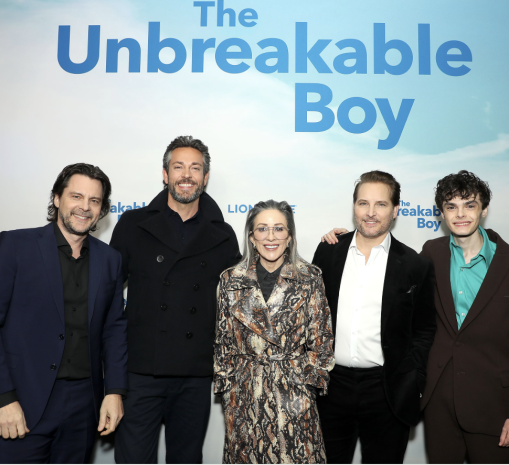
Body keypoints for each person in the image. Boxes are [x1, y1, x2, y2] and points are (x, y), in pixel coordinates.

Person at [0, 163, 127, 464]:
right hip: (22, 400)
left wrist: (115, 390)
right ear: (57, 199)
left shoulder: (110, 259)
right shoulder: (15, 245)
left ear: (102, 208)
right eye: (76, 196)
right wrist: (1, 399)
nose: (85, 207)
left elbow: (114, 328)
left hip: (84, 405)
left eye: (94, 201)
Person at [110, 136, 241, 464]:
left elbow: (241, 302)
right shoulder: (132, 224)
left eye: (195, 168)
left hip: (195, 374)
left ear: (205, 178)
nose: (187, 174)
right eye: (178, 167)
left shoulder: (223, 235)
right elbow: (107, 298)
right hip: (141, 372)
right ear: (165, 174)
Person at [315, 171, 436, 464]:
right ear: (354, 206)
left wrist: (414, 380)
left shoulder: (415, 265)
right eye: (363, 203)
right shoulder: (329, 251)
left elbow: (423, 329)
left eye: (380, 204)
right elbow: (310, 315)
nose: (370, 213)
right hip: (330, 389)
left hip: (388, 391)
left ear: (395, 210)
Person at [419, 171, 509, 463]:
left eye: (469, 205)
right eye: (451, 207)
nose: (460, 214)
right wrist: (348, 240)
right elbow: (391, 268)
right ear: (442, 214)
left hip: (492, 404)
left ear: (484, 209)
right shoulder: (430, 253)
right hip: (439, 401)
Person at [214, 200, 335, 464]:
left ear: (290, 236)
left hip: (294, 395)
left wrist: (307, 386)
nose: (271, 237)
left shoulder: (309, 277)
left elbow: (322, 339)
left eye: (279, 229)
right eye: (262, 229)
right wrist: (229, 390)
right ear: (251, 236)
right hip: (245, 395)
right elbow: (222, 342)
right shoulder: (231, 279)